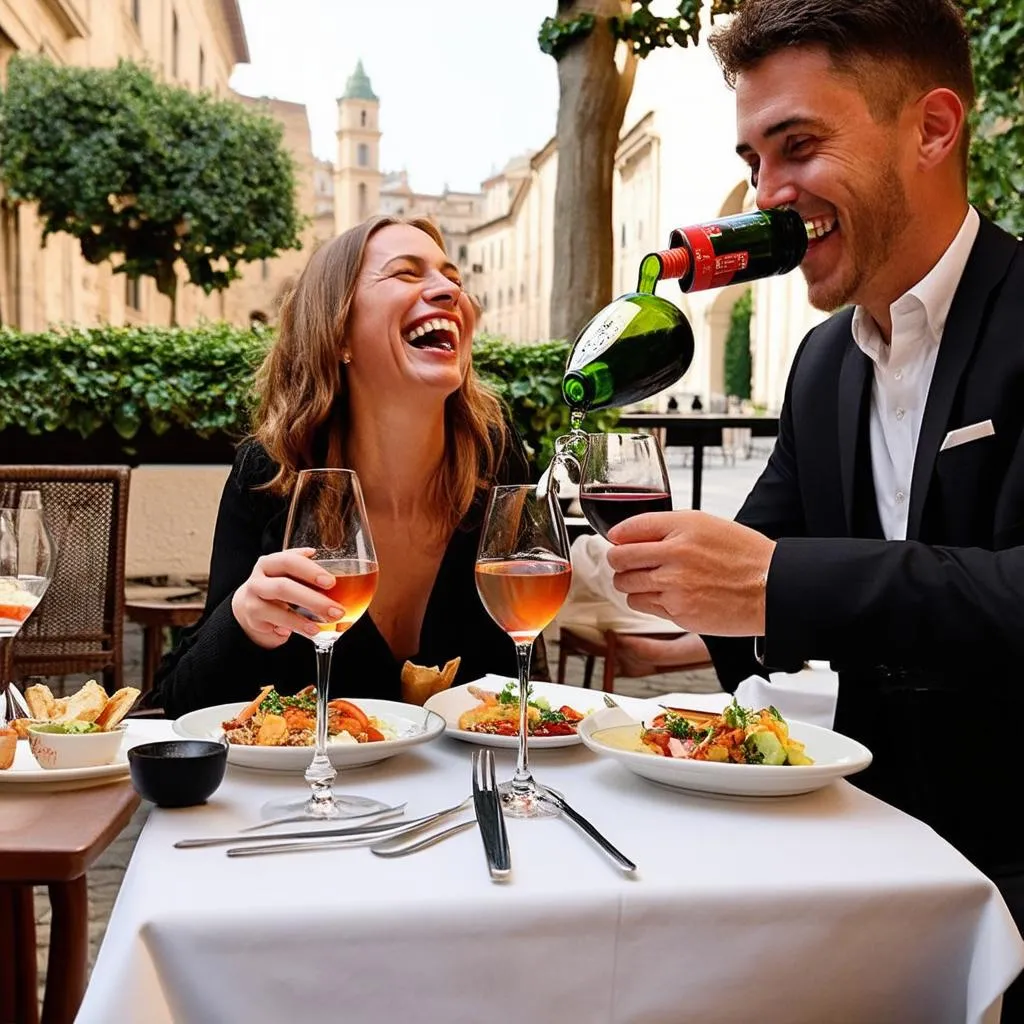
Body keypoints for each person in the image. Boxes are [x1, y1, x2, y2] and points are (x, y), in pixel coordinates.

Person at [605, 0, 1024, 1001]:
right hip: (869, 864)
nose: (767, 196)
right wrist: (690, 623)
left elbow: (795, 575)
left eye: (797, 146)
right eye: (753, 160)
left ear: (931, 128)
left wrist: (773, 582)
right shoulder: (822, 363)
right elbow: (764, 568)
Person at [155, 215, 535, 717]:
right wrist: (244, 620)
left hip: (466, 794)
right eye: (405, 273)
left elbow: (525, 691)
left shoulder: (496, 460)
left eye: (453, 279)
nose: (448, 291)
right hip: (313, 792)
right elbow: (177, 706)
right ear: (338, 335)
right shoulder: (273, 472)